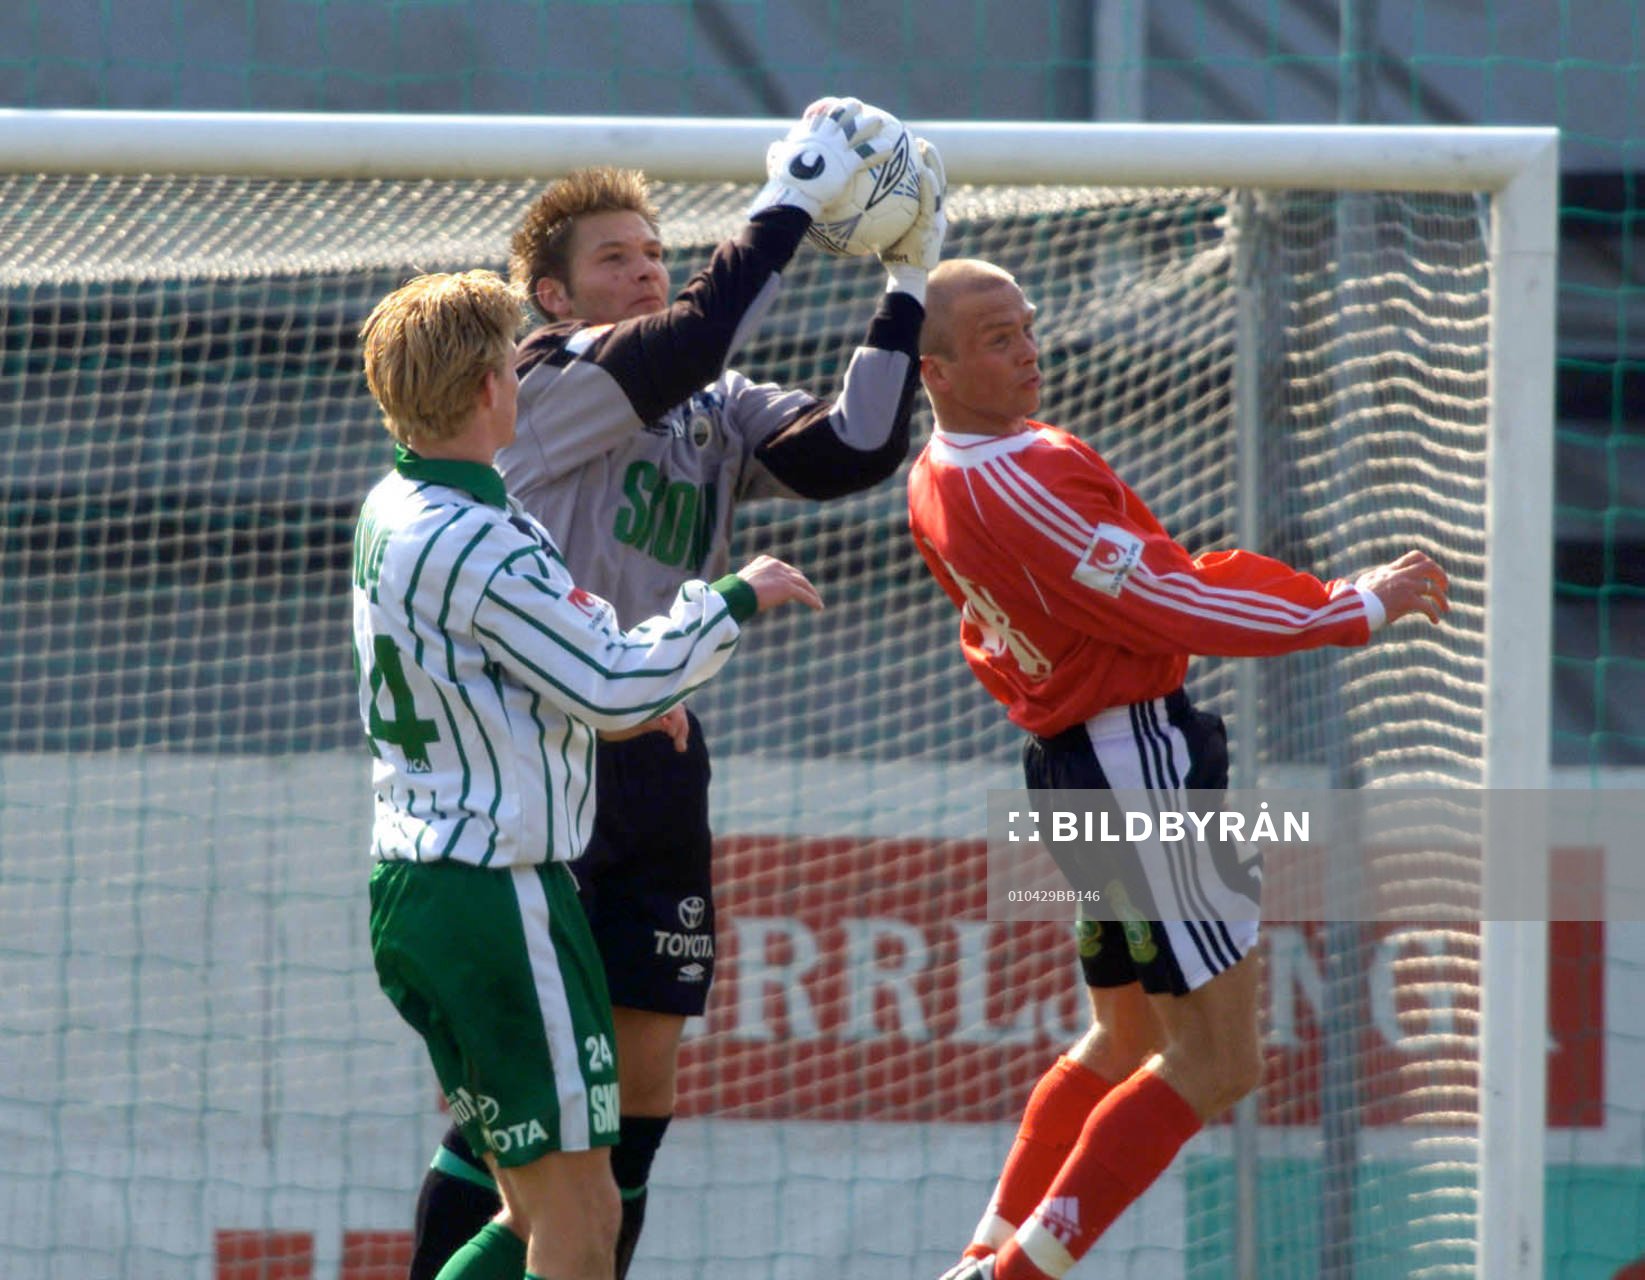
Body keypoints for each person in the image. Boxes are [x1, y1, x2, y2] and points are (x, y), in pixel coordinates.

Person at [409, 99, 948, 1279]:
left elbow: (855, 445)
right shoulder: (548, 376)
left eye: (655, 252)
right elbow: (698, 335)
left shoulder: (710, 400)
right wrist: (792, 196)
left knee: (639, 1090)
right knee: (531, 1124)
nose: (644, 269)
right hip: (537, 765)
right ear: (551, 295)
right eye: (615, 258)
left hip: (656, 761)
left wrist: (908, 279)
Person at [906, 259, 1451, 1280]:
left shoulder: (940, 470)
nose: (1025, 350)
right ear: (930, 368)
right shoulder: (1018, 480)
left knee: (1120, 1031)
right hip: (1134, 758)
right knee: (1219, 1057)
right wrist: (1348, 604)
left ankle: (983, 1253)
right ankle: (1012, 1275)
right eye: (993, 340)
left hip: (1076, 759)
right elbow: (1174, 602)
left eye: (1025, 326)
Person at [354, 269, 824, 1280]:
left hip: (420, 883)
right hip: (493, 894)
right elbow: (613, 687)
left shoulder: (395, 503)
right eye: (511, 366)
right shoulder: (476, 537)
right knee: (581, 1214)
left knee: (533, 1205)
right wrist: (731, 599)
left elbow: (542, 674)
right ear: (490, 389)